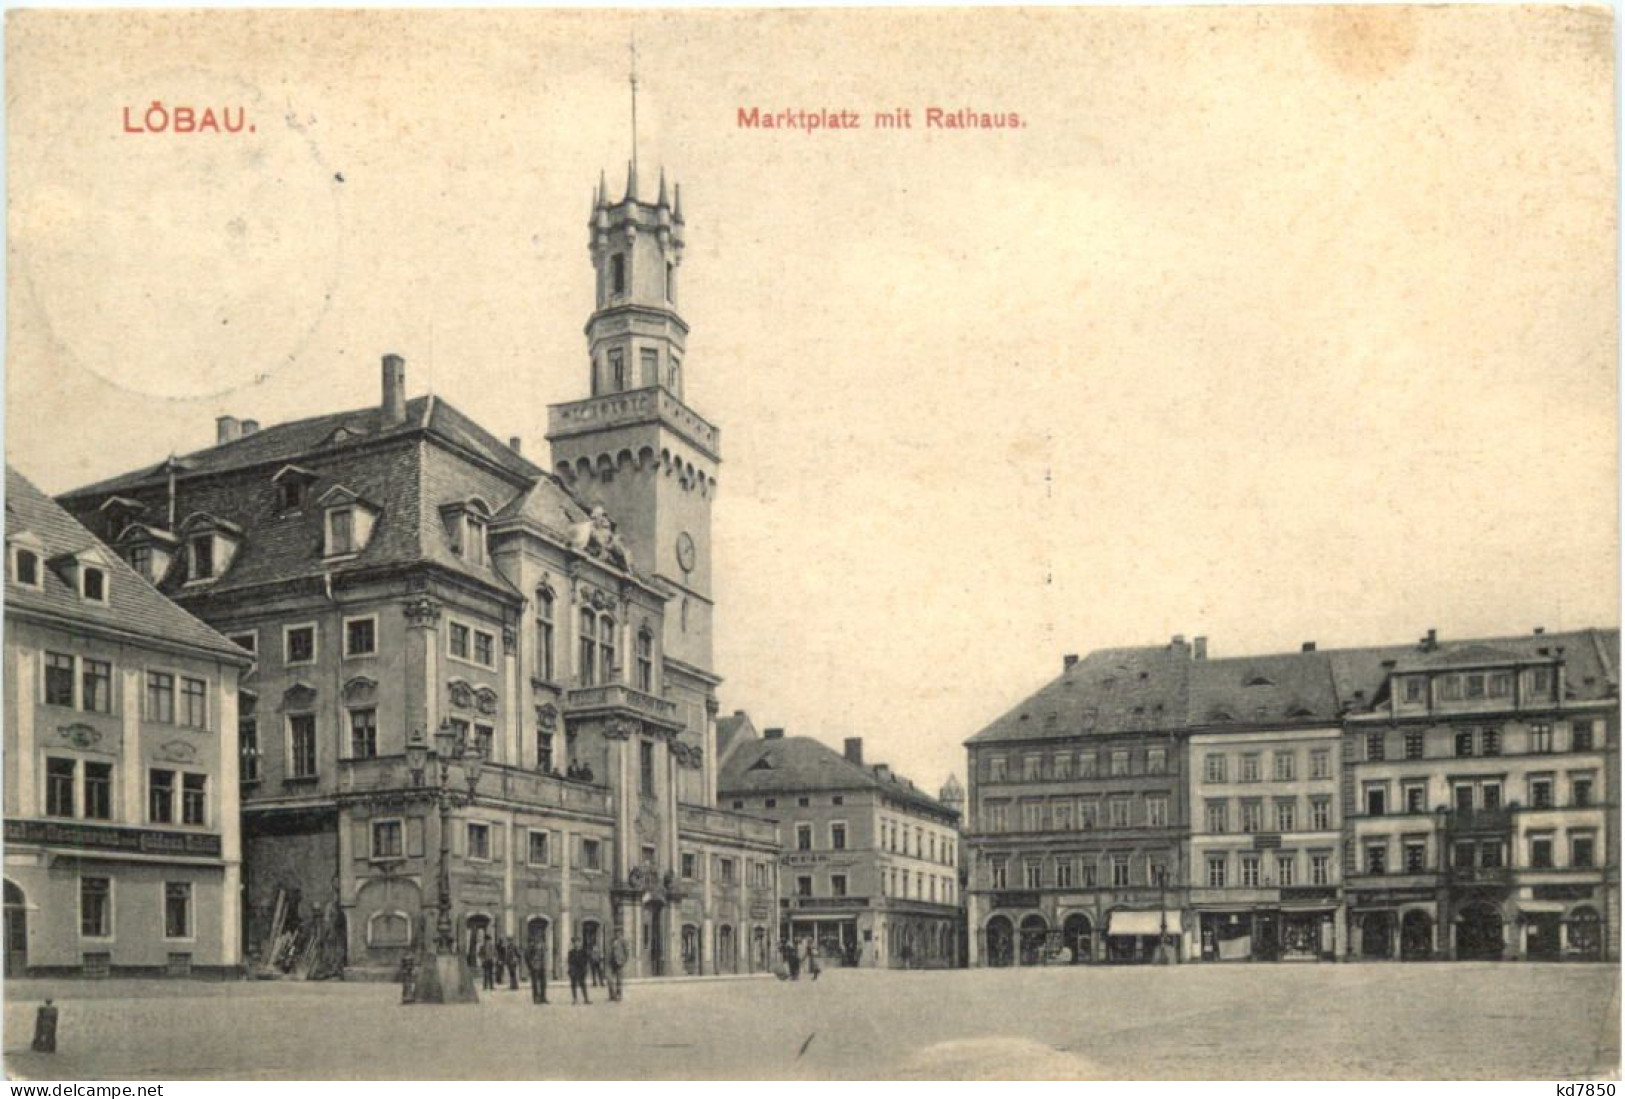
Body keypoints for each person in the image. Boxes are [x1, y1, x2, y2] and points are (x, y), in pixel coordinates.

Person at [526, 935, 549, 1005]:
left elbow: (544, 956)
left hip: (542, 967)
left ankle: (543, 997)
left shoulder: (543, 947)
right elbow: (527, 956)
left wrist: (544, 965)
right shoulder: (532, 947)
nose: (541, 942)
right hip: (535, 967)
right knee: (535, 984)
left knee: (543, 983)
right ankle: (536, 998)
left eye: (542, 940)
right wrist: (531, 966)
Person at [567, 937, 591, 1004]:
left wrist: (585, 969)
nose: (577, 944)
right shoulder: (571, 952)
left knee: (583, 984)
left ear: (580, 943)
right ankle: (575, 999)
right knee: (573, 985)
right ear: (574, 944)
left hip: (581, 970)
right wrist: (571, 970)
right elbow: (569, 961)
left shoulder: (583, 952)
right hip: (574, 970)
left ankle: (586, 999)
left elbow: (586, 961)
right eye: (575, 943)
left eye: (578, 942)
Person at [608, 929, 629, 1002]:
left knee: (619, 980)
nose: (617, 934)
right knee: (609, 979)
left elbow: (627, 952)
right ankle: (612, 995)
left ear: (620, 933)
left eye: (618, 932)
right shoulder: (612, 941)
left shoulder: (623, 941)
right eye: (615, 932)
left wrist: (623, 961)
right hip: (612, 962)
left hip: (619, 962)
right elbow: (610, 951)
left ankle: (619, 995)